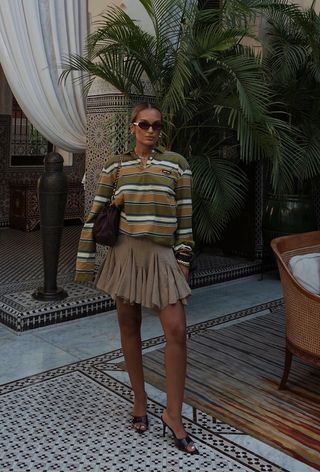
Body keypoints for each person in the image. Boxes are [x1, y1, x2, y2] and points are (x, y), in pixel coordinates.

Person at [75, 102, 198, 455]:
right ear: (132, 127)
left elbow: (185, 217)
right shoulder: (115, 165)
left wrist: (183, 259)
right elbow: (96, 213)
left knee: (176, 331)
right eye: (144, 124)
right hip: (125, 254)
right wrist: (86, 261)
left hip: (162, 255)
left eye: (157, 126)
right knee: (129, 329)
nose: (151, 131)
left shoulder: (177, 164)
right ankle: (140, 402)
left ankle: (173, 414)